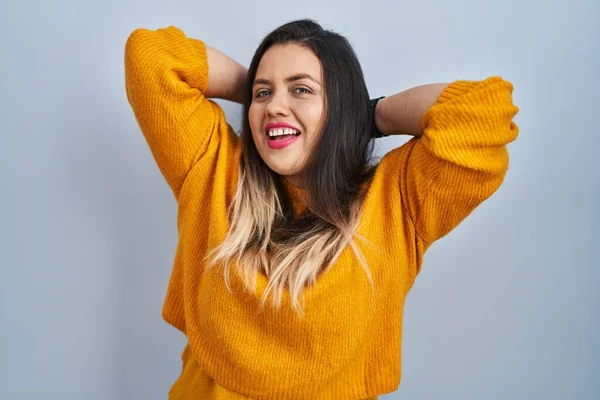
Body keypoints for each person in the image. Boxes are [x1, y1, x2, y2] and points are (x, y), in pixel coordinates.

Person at [124, 19, 519, 400]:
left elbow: (483, 113)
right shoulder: (213, 169)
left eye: (301, 90)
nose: (275, 106)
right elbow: (151, 57)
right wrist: (263, 91)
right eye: (263, 94)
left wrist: (366, 115)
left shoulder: (395, 200)